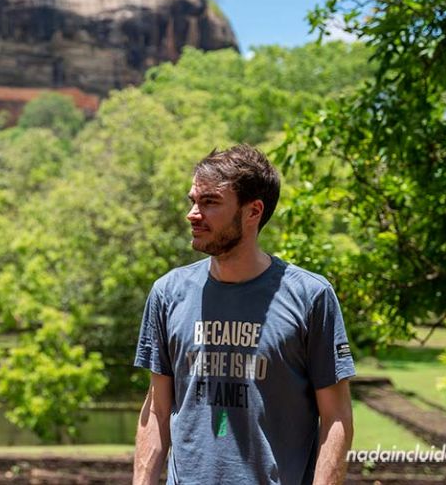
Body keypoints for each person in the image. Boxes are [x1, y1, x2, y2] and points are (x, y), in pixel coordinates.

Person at [133, 145, 355, 485]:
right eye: (193, 200)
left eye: (209, 202)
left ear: (253, 212)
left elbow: (336, 417)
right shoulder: (168, 293)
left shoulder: (310, 297)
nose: (193, 213)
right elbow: (157, 410)